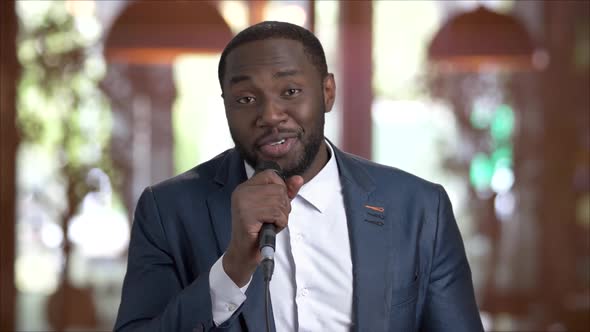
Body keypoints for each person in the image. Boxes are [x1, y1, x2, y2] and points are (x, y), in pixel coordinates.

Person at [114, 21, 483, 332]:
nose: (270, 114)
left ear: (327, 92)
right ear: (225, 105)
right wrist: (231, 270)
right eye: (245, 99)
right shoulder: (167, 210)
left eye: (290, 91)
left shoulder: (420, 209)